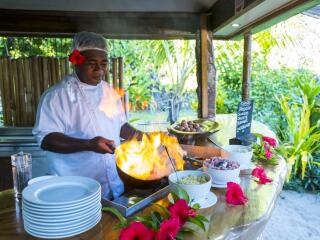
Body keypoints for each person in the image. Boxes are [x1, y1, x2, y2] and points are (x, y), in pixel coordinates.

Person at [33, 31, 142, 199]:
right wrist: (89, 144)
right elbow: (46, 139)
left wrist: (143, 137)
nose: (99, 69)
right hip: (76, 190)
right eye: (92, 63)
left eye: (104, 64)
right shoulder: (57, 96)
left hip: (112, 184)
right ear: (76, 61)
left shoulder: (108, 91)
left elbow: (120, 125)